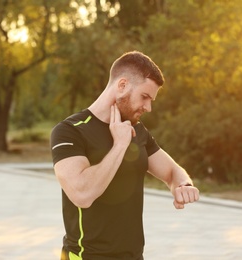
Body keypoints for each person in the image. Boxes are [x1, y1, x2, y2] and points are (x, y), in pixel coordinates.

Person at [50, 51, 200, 260]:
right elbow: (82, 194)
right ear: (122, 85)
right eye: (145, 97)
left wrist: (183, 184)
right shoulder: (70, 131)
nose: (148, 107)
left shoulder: (137, 130)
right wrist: (120, 145)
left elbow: (172, 171)